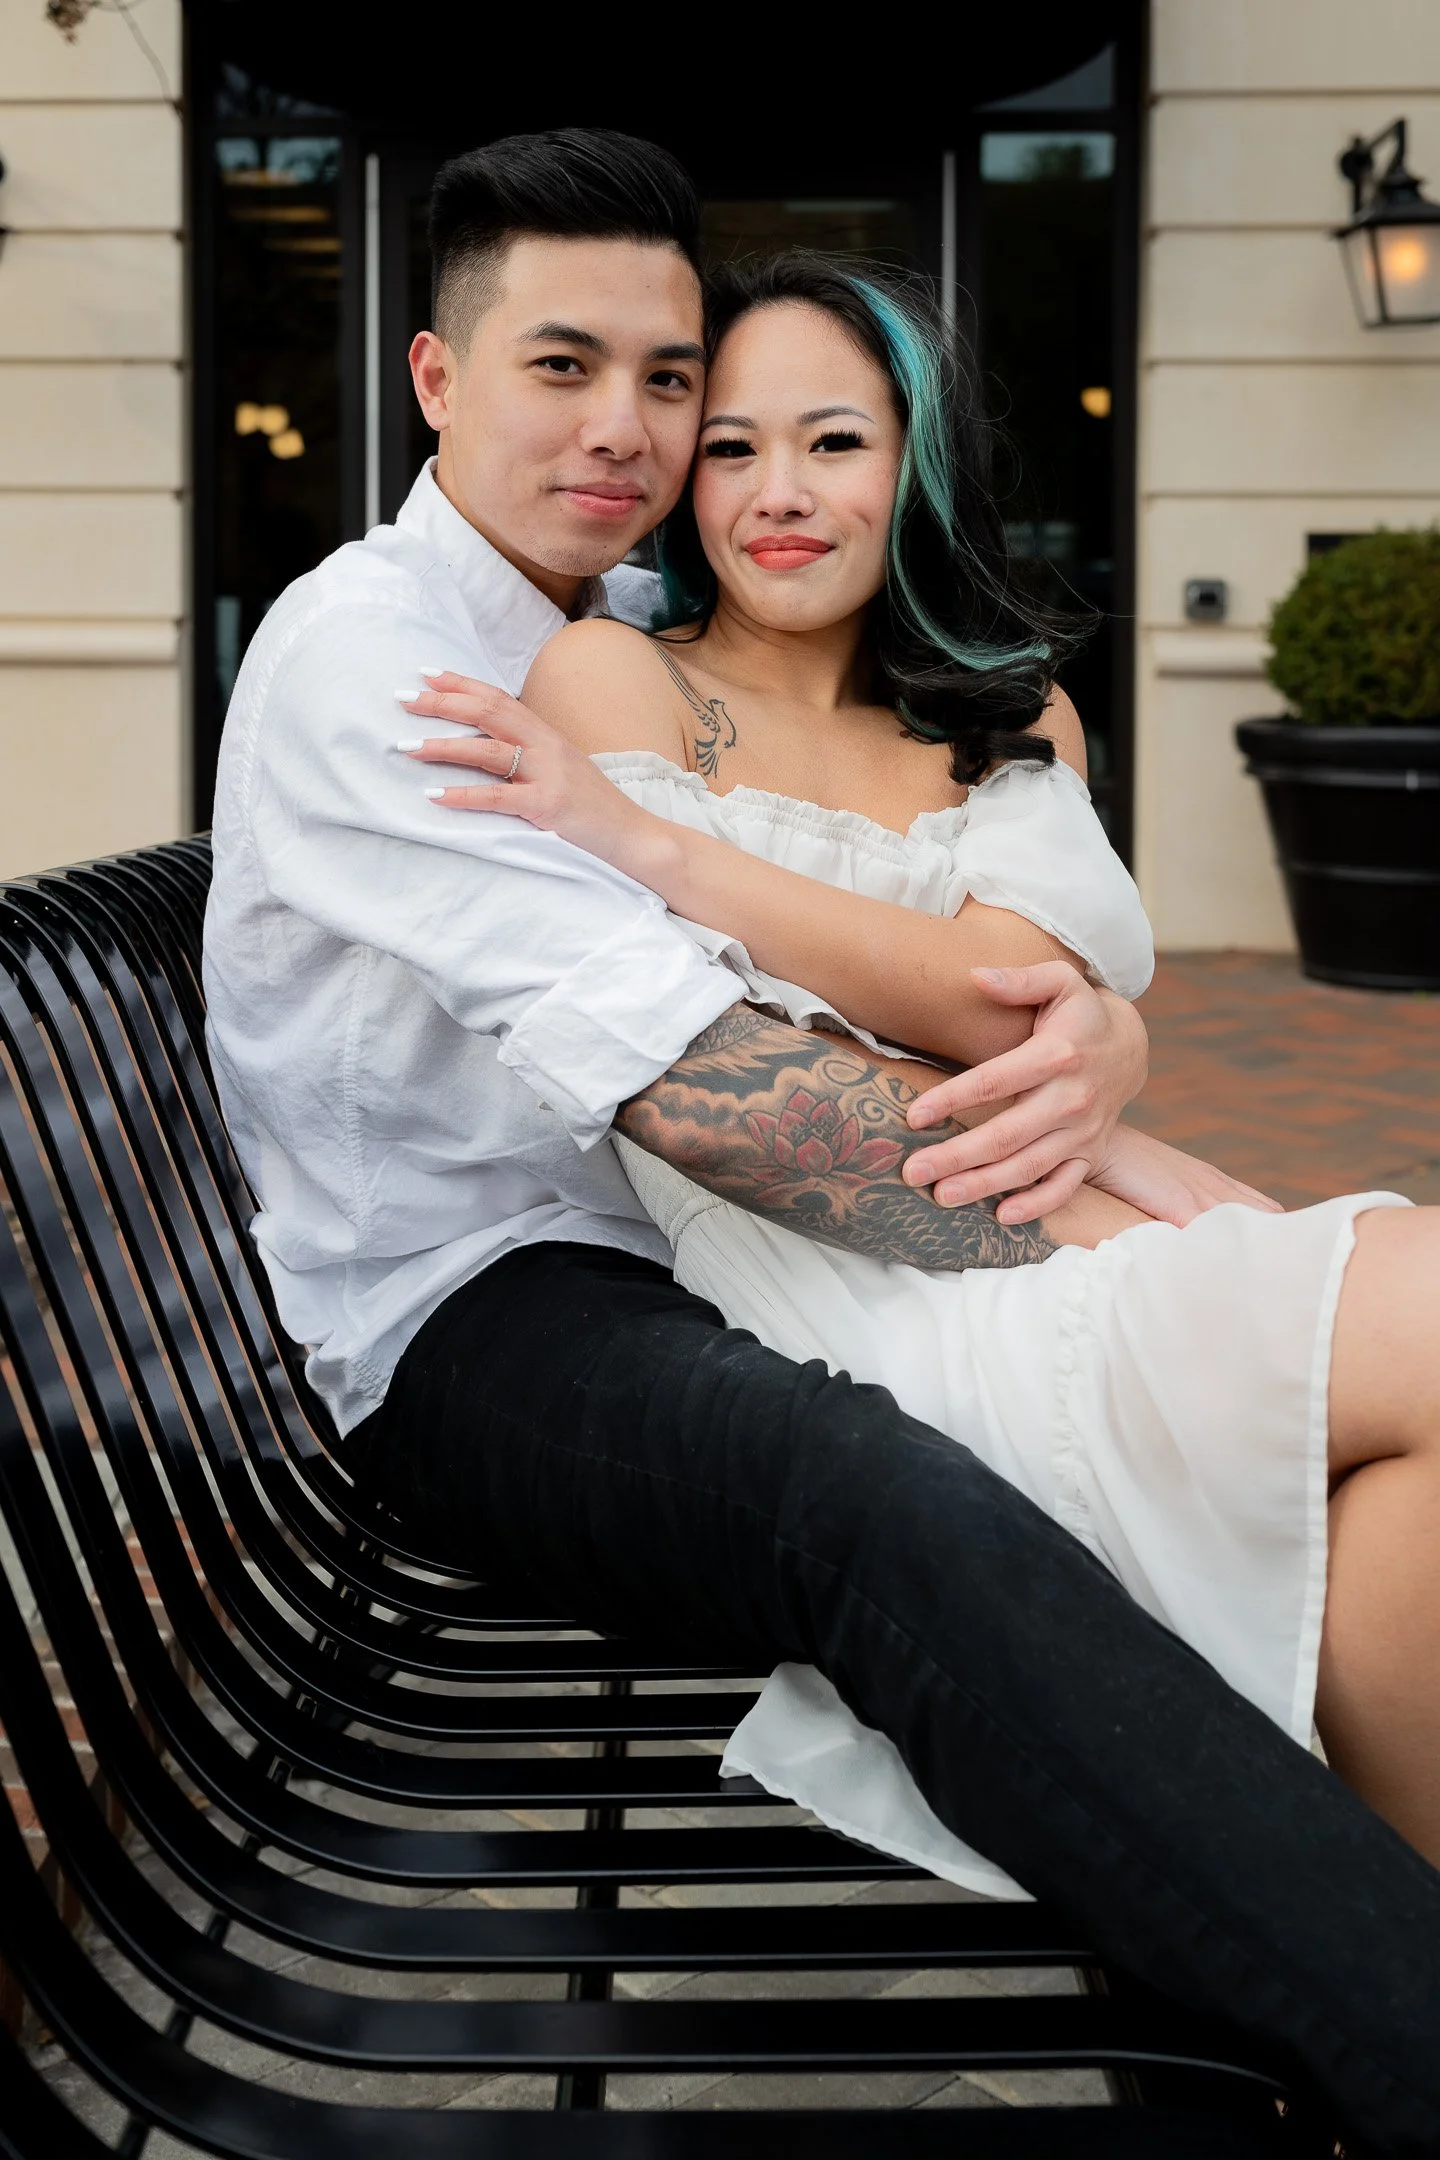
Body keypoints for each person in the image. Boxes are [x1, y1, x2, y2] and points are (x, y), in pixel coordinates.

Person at [202, 128, 1440, 2154]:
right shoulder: (385, 662)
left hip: (689, 1250)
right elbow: (714, 1090)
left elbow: (890, 964)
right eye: (561, 365)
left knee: (1371, 1465)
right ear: (436, 378)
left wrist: (1108, 1046)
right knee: (873, 1491)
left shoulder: (628, 619)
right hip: (477, 1307)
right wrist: (1148, 1233)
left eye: (665, 378)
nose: (625, 429)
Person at [401, 244, 1439, 1906]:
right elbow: (834, 1045)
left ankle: (1374, 1971)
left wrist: (666, 852)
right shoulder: (616, 679)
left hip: (1038, 1226)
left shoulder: (1013, 719)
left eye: (834, 441)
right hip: (842, 1286)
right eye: (730, 447)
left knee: (1410, 1504)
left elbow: (999, 998)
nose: (777, 493)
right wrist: (1074, 1081)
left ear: (917, 460)